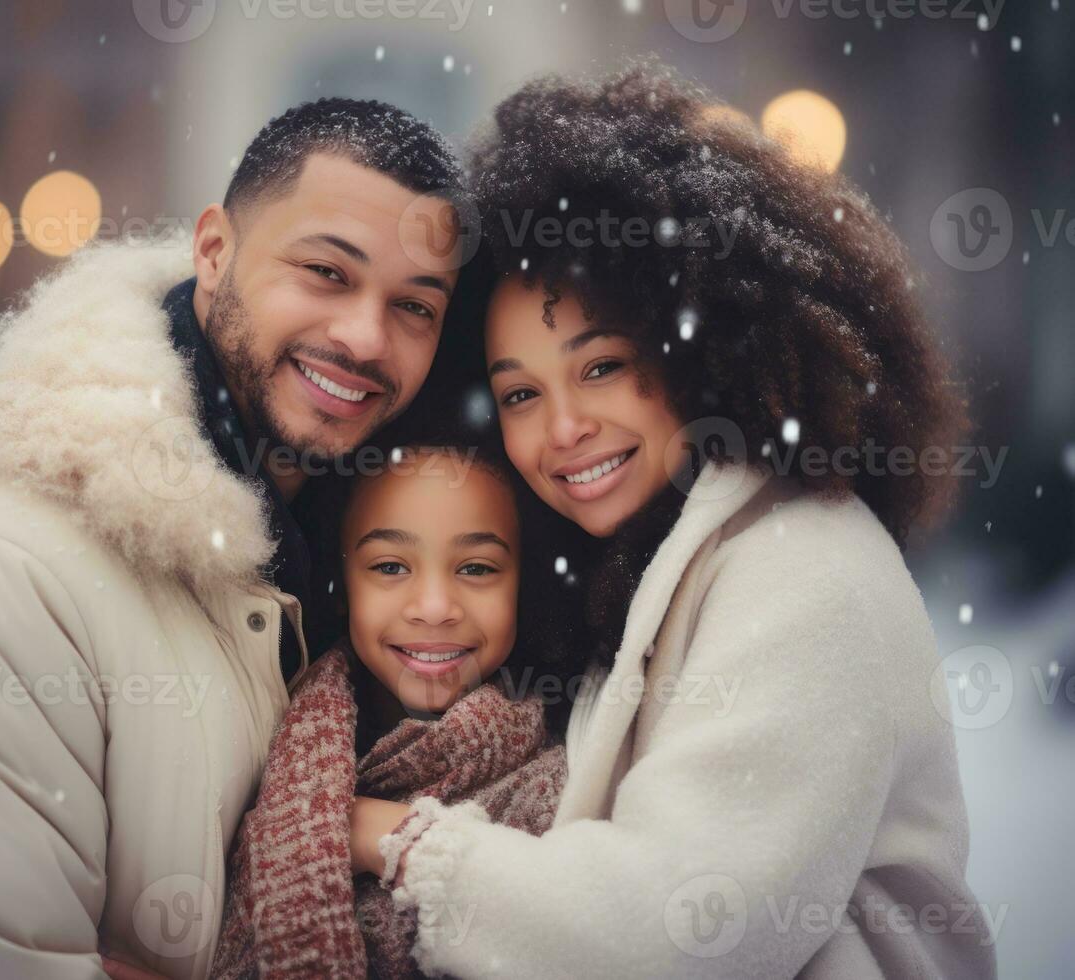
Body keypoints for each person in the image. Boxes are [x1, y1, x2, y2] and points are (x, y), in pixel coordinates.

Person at [0, 98, 466, 979]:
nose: (366, 337)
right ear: (215, 253)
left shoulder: (357, 565)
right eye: (326, 273)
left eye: (414, 305)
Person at [361, 60, 1000, 978]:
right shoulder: (635, 571)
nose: (564, 428)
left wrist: (389, 838)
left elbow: (664, 937)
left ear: (706, 345)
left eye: (601, 366)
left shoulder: (804, 569)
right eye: (519, 393)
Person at [204, 441, 565, 979]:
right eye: (391, 566)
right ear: (345, 584)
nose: (436, 607)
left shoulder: (571, 787)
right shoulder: (259, 738)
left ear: (521, 585)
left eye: (477, 567)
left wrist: (376, 834)